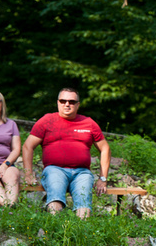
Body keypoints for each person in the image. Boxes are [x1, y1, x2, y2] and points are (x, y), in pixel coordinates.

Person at [22, 88, 111, 219]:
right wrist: (28, 174)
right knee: (56, 194)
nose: (67, 104)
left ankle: (81, 232)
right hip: (54, 169)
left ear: (78, 105)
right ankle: (55, 229)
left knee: (84, 199)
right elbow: (27, 146)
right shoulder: (47, 120)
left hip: (82, 172)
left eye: (71, 101)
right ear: (58, 103)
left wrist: (102, 179)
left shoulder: (89, 123)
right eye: (63, 101)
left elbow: (105, 149)